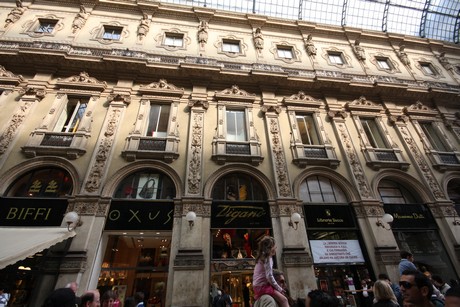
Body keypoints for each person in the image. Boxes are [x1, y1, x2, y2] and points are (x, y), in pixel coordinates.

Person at [252, 236, 289, 307]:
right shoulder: (267, 259)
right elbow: (269, 276)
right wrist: (279, 288)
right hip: (262, 286)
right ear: (270, 247)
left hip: (258, 286)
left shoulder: (262, 258)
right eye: (274, 246)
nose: (276, 248)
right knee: (284, 300)